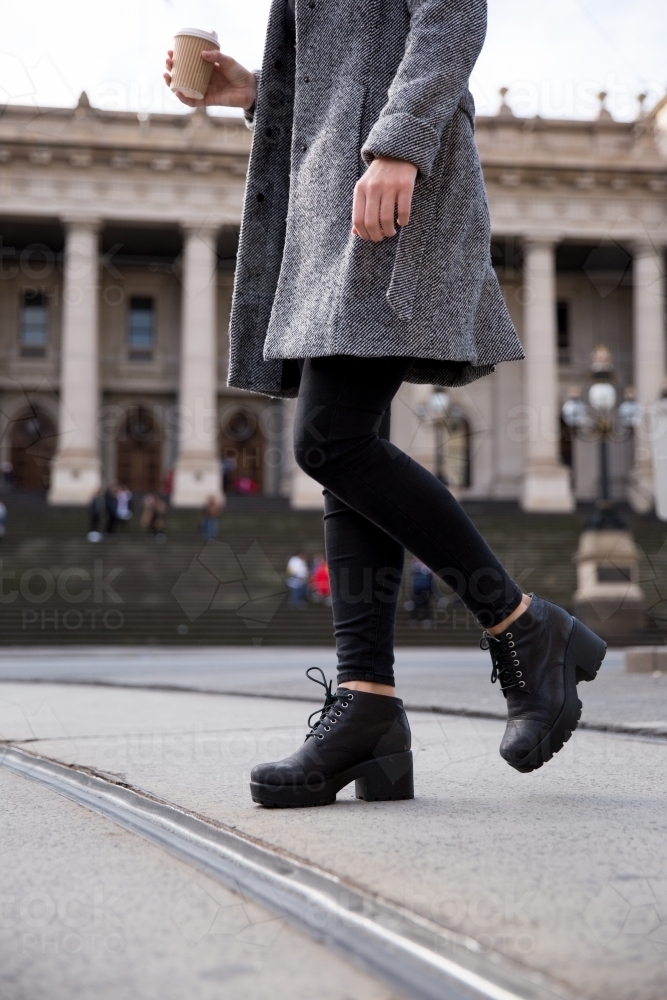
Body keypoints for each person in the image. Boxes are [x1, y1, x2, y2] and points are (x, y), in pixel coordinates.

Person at [165, 0, 606, 808]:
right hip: (337, 196)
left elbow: (450, 11)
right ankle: (367, 704)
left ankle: (520, 623)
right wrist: (263, 91)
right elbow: (352, 69)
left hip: (390, 182)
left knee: (329, 441)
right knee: (344, 449)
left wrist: (401, 143)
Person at [408, 558, 433, 628]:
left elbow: (430, 577)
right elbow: (412, 576)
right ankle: (413, 618)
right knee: (416, 604)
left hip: (425, 587)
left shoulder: (426, 566)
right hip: (417, 587)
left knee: (426, 604)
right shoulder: (414, 566)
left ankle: (427, 618)